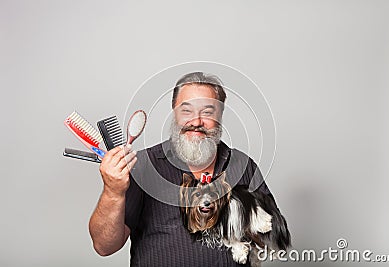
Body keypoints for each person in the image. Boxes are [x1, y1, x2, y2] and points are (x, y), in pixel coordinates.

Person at [89, 72, 278, 266]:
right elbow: (104, 246)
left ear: (221, 115)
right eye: (186, 110)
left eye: (207, 112)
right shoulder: (145, 166)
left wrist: (236, 213)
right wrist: (112, 191)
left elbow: (271, 238)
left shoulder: (243, 165)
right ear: (174, 112)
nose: (196, 122)